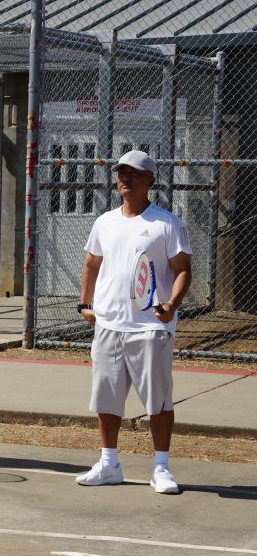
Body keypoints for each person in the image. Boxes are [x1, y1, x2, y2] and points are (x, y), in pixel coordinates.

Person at [76, 150, 193, 494]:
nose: (125, 178)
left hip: (151, 328)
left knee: (158, 401)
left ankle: (161, 468)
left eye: (134, 173)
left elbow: (183, 269)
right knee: (107, 400)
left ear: (150, 181)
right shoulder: (105, 222)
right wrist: (85, 304)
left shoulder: (167, 223)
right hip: (109, 325)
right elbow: (92, 264)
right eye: (121, 173)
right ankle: (109, 463)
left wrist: (171, 305)